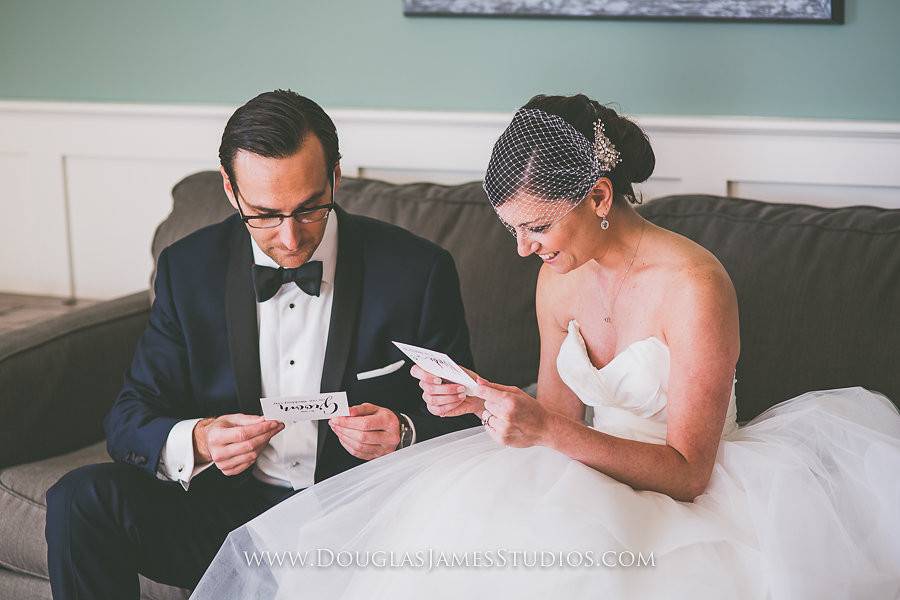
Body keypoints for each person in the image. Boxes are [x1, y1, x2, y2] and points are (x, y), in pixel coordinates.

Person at [191, 94, 900, 599]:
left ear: (597, 197)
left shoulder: (695, 286)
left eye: (537, 228)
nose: (525, 250)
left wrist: (544, 428)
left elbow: (688, 473)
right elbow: (550, 412)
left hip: (691, 497)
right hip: (582, 471)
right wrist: (479, 399)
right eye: (512, 231)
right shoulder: (558, 280)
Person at [44, 89, 479, 600]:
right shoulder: (188, 269)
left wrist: (402, 434)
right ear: (231, 190)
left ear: (335, 178)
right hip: (225, 519)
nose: (291, 238)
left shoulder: (418, 271)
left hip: (361, 520)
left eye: (310, 208)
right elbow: (130, 416)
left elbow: (470, 420)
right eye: (265, 214)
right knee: (79, 499)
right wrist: (200, 440)